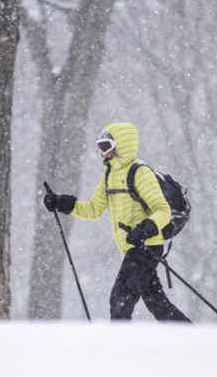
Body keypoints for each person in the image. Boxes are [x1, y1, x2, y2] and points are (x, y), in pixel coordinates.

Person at [44, 122, 190, 322]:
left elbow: (162, 211)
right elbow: (94, 209)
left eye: (106, 146)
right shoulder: (109, 175)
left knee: (120, 300)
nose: (102, 152)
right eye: (100, 147)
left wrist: (144, 230)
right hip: (133, 247)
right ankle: (192, 338)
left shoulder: (140, 172)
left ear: (122, 145)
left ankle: (118, 347)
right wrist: (61, 203)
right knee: (157, 304)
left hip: (147, 247)